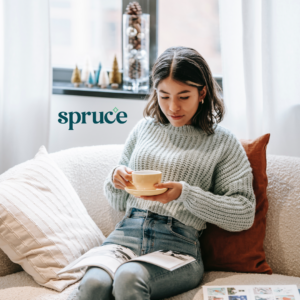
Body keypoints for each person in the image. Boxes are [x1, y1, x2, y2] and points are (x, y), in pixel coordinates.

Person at [77, 46, 256, 300]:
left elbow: (243, 214)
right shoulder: (144, 129)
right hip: (125, 235)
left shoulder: (222, 142)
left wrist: (184, 194)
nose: (173, 107)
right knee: (92, 285)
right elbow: (117, 201)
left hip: (178, 245)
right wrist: (116, 178)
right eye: (164, 96)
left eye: (183, 96)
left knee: (129, 278)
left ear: (202, 92)